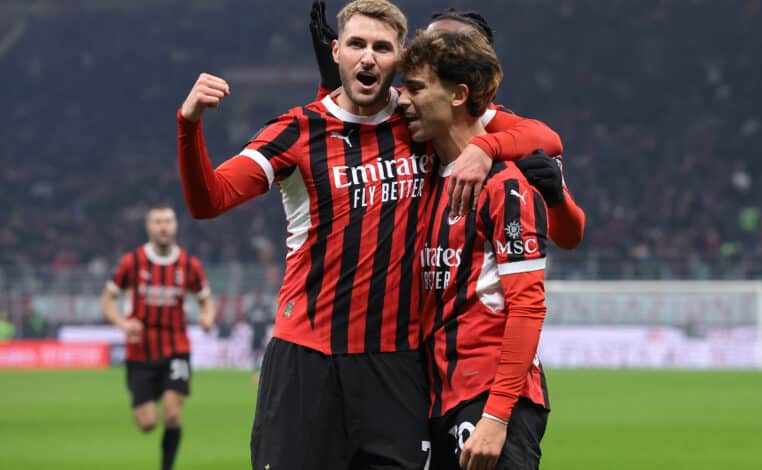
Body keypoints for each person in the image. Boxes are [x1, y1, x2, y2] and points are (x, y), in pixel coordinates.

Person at [177, 1, 561, 468]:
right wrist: (189, 126)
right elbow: (210, 199)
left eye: (382, 47)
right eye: (357, 44)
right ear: (336, 51)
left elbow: (545, 138)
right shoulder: (296, 131)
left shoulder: (418, 116)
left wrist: (486, 147)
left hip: (394, 367)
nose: (368, 57)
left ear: (399, 59)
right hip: (307, 360)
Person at [309, 1, 585, 248]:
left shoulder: (501, 131)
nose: (430, 53)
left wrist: (485, 149)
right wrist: (333, 87)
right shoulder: (408, 108)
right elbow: (341, 139)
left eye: (447, 48)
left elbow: (548, 141)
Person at [399, 31, 552, 469]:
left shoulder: (506, 186)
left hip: (489, 400)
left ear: (458, 95)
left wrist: (497, 416)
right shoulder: (427, 180)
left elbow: (527, 306)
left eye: (415, 88)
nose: (403, 101)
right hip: (438, 398)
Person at [101, 204, 215, 470]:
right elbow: (107, 300)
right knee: (148, 423)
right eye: (158, 222)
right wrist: (122, 323)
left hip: (176, 347)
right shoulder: (132, 262)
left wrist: (207, 317)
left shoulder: (189, 264)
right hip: (140, 351)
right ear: (149, 227)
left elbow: (206, 300)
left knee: (172, 415)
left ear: (175, 226)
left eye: (168, 221)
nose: (163, 227)